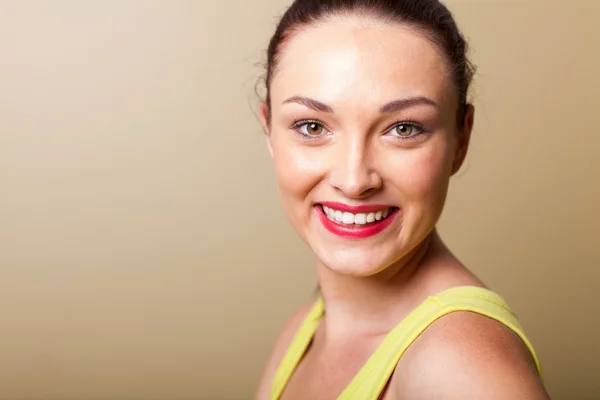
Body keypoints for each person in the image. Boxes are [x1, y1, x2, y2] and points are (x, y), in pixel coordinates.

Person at [254, 1, 550, 399]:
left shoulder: (460, 367)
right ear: (269, 129)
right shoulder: (306, 327)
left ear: (461, 140)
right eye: (312, 126)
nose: (355, 179)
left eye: (403, 128)